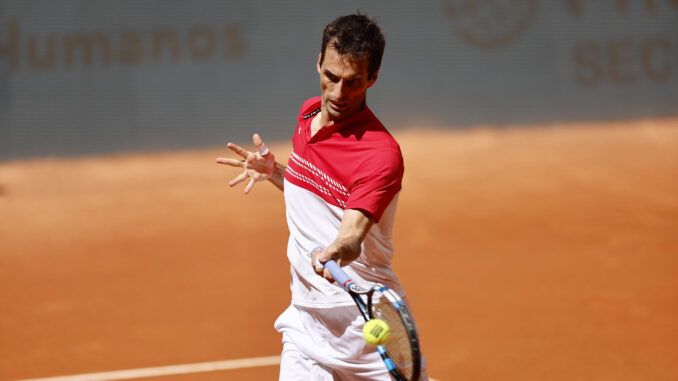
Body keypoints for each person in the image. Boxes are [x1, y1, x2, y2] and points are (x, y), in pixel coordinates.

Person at [217, 13, 427, 381]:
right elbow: (317, 194)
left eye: (353, 82)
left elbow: (351, 233)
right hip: (307, 324)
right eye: (331, 77)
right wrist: (277, 173)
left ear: (372, 78)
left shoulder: (380, 154)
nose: (338, 94)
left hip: (368, 334)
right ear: (318, 63)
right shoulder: (308, 113)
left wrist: (336, 251)